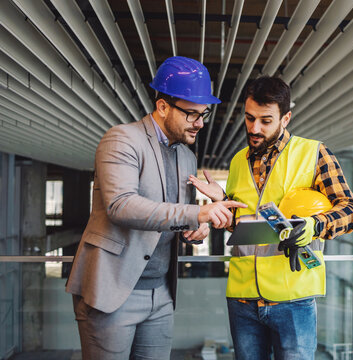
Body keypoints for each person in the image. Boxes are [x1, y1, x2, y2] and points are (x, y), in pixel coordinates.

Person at [66, 56, 246, 360]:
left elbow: (174, 217)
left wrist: (194, 230)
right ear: (162, 106)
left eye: (204, 114)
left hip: (161, 294)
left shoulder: (186, 157)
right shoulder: (122, 140)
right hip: (113, 291)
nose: (200, 123)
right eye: (191, 114)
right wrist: (195, 213)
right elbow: (121, 206)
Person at [190, 76, 353, 359]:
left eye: (266, 120)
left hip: (293, 298)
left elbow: (350, 211)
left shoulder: (315, 153)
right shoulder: (237, 161)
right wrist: (221, 202)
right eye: (249, 118)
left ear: (286, 118)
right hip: (243, 298)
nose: (254, 128)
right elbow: (241, 221)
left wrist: (315, 225)